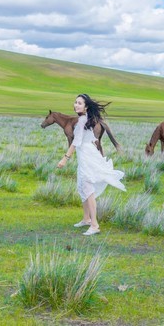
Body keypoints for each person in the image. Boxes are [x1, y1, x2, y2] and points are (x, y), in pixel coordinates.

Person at [57, 94, 126, 235]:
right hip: (86, 155)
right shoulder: (85, 119)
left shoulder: (82, 120)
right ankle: (86, 219)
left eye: (80, 103)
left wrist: (65, 158)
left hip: (87, 157)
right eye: (75, 102)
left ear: (86, 106)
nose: (76, 105)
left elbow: (76, 142)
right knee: (82, 187)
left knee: (87, 189)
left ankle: (94, 225)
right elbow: (93, 138)